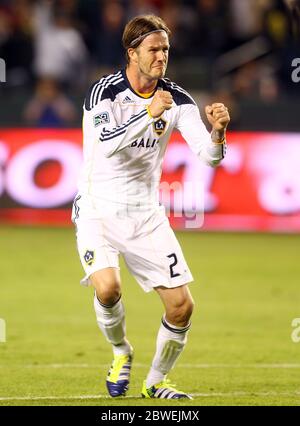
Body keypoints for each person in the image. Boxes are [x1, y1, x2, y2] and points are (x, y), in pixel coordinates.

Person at [72, 14, 230, 400]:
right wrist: (148, 115)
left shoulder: (176, 99)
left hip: (145, 214)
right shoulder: (104, 93)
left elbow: (208, 158)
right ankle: (121, 351)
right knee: (108, 289)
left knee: (181, 306)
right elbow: (107, 141)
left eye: (166, 50)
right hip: (98, 208)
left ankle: (156, 380)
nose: (162, 57)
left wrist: (218, 134)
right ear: (132, 52)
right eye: (154, 49)